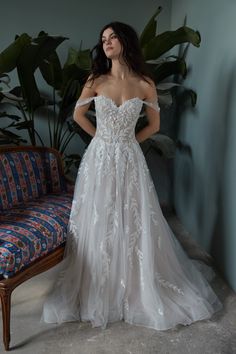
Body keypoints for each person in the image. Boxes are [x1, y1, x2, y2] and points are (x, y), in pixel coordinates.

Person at [41, 21, 222, 330]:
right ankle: (102, 285)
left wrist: (128, 142)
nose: (107, 42)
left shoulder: (144, 83)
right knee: (101, 217)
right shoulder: (96, 79)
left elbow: (153, 125)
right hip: (99, 158)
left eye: (112, 37)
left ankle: (136, 284)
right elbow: (77, 115)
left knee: (133, 216)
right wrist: (102, 138)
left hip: (129, 158)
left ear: (125, 41)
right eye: (103, 39)